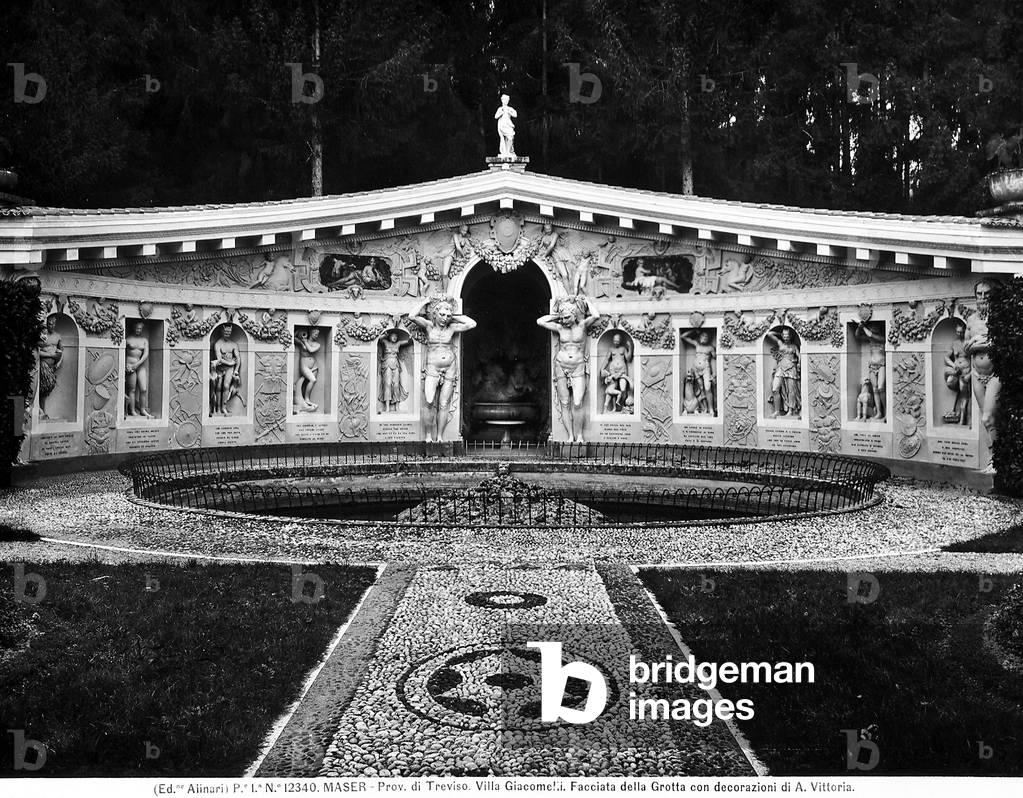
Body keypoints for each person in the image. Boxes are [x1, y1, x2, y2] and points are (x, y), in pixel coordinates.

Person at [409, 296, 477, 442]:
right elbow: (411, 316)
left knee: (444, 403)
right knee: (429, 401)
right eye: (442, 314)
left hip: (450, 368)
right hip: (432, 367)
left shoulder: (452, 327)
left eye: (448, 315)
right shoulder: (428, 326)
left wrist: (455, 317)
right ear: (435, 313)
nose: (445, 318)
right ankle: (428, 435)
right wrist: (425, 302)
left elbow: (472, 324)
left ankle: (439, 436)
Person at [537, 297, 601, 442]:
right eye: (563, 318)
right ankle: (570, 436)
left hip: (578, 366)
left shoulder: (583, 325)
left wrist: (585, 301)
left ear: (575, 315)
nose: (564, 320)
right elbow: (540, 321)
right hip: (561, 366)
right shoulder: (559, 327)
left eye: (567, 317)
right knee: (565, 403)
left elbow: (596, 315)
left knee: (577, 402)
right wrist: (558, 316)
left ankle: (579, 436)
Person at [965, 279, 1000, 472]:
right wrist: (981, 341)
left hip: (995, 374)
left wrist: (978, 342)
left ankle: (999, 459)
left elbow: (1001, 343)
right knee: (987, 420)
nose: (983, 298)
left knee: (989, 417)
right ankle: (995, 458)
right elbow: (965, 347)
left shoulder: (999, 317)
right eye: (979, 294)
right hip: (977, 375)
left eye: (987, 294)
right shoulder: (971, 320)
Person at [765, 325, 800, 419]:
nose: (785, 337)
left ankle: (790, 410)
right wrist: (779, 333)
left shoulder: (794, 346)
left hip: (791, 368)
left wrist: (799, 364)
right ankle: (777, 411)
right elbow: (769, 334)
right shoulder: (780, 343)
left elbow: (799, 357)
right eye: (784, 336)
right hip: (780, 368)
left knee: (791, 390)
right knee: (775, 389)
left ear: (790, 336)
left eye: (787, 336)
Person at [680, 329, 717, 415]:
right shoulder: (697, 344)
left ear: (709, 338)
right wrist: (693, 330)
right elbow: (683, 336)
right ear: (700, 337)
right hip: (695, 369)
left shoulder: (711, 348)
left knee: (707, 388)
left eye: (706, 336)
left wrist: (714, 373)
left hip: (706, 369)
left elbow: (715, 359)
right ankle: (700, 408)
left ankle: (711, 408)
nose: (704, 338)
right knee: (697, 388)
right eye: (703, 336)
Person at [855, 321, 886, 420]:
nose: (873, 328)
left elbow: (871, 335)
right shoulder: (870, 339)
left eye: (875, 327)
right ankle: (880, 413)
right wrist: (859, 328)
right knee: (875, 389)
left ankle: (886, 412)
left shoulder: (881, 338)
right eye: (872, 327)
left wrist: (863, 326)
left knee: (881, 387)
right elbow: (857, 336)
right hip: (872, 366)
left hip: (882, 364)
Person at [210, 324, 242, 416]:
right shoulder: (218, 344)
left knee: (226, 386)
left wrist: (236, 370)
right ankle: (218, 408)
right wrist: (229, 363)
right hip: (220, 367)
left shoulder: (233, 344)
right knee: (218, 387)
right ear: (222, 331)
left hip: (230, 369)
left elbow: (238, 358)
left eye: (229, 332)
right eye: (226, 331)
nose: (228, 333)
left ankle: (224, 408)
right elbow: (219, 358)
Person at [943, 322, 971, 425]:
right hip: (956, 370)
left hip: (965, 370)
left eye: (961, 332)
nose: (959, 334)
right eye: (957, 332)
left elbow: (972, 359)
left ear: (964, 331)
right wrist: (953, 365)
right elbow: (946, 357)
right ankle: (957, 413)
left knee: (964, 394)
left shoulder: (968, 343)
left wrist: (970, 372)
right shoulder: (954, 343)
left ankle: (963, 419)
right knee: (950, 382)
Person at [37, 315, 64, 420]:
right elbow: (37, 351)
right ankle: (40, 411)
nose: (51, 326)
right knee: (42, 389)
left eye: (53, 324)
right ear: (46, 324)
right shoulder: (43, 336)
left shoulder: (57, 336)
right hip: (43, 365)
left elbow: (61, 350)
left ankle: (42, 411)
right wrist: (50, 355)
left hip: (52, 367)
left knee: (46, 390)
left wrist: (59, 362)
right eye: (49, 324)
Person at [379, 331, 413, 412]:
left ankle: (397, 406)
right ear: (389, 336)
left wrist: (411, 336)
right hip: (387, 364)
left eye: (396, 336)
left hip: (396, 364)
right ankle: (387, 407)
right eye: (393, 336)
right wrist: (384, 335)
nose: (395, 337)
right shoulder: (385, 342)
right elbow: (379, 339)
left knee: (396, 385)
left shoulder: (398, 343)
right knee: (387, 384)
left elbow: (408, 341)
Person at [125, 321, 153, 418]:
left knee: (143, 389)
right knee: (132, 389)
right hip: (130, 365)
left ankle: (142, 409)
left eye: (140, 329)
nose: (138, 330)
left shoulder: (144, 340)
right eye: (137, 328)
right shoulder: (128, 339)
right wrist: (127, 365)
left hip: (140, 365)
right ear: (133, 328)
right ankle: (132, 410)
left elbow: (146, 354)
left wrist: (138, 364)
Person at [600, 332, 633, 413]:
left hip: (622, 371)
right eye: (614, 341)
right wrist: (602, 369)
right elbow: (607, 359)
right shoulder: (611, 349)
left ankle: (623, 407)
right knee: (612, 390)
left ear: (620, 341)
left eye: (617, 341)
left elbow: (628, 359)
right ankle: (613, 408)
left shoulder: (623, 348)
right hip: (613, 371)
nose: (615, 342)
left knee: (623, 388)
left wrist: (630, 348)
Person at [294, 328, 322, 413]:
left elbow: (311, 350)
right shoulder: (303, 341)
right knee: (312, 380)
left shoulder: (317, 344)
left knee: (308, 383)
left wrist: (304, 342)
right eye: (315, 334)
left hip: (314, 366)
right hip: (304, 363)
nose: (316, 336)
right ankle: (306, 399)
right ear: (311, 333)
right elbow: (293, 338)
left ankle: (305, 400)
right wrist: (299, 334)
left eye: (317, 335)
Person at [495, 94, 517, 159]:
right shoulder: (500, 109)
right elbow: (496, 117)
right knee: (503, 139)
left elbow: (515, 115)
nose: (506, 101)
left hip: (508, 125)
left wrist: (510, 112)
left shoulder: (510, 108)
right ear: (502, 100)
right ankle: (505, 152)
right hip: (502, 125)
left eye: (507, 100)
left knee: (511, 137)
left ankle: (508, 151)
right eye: (504, 100)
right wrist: (501, 113)